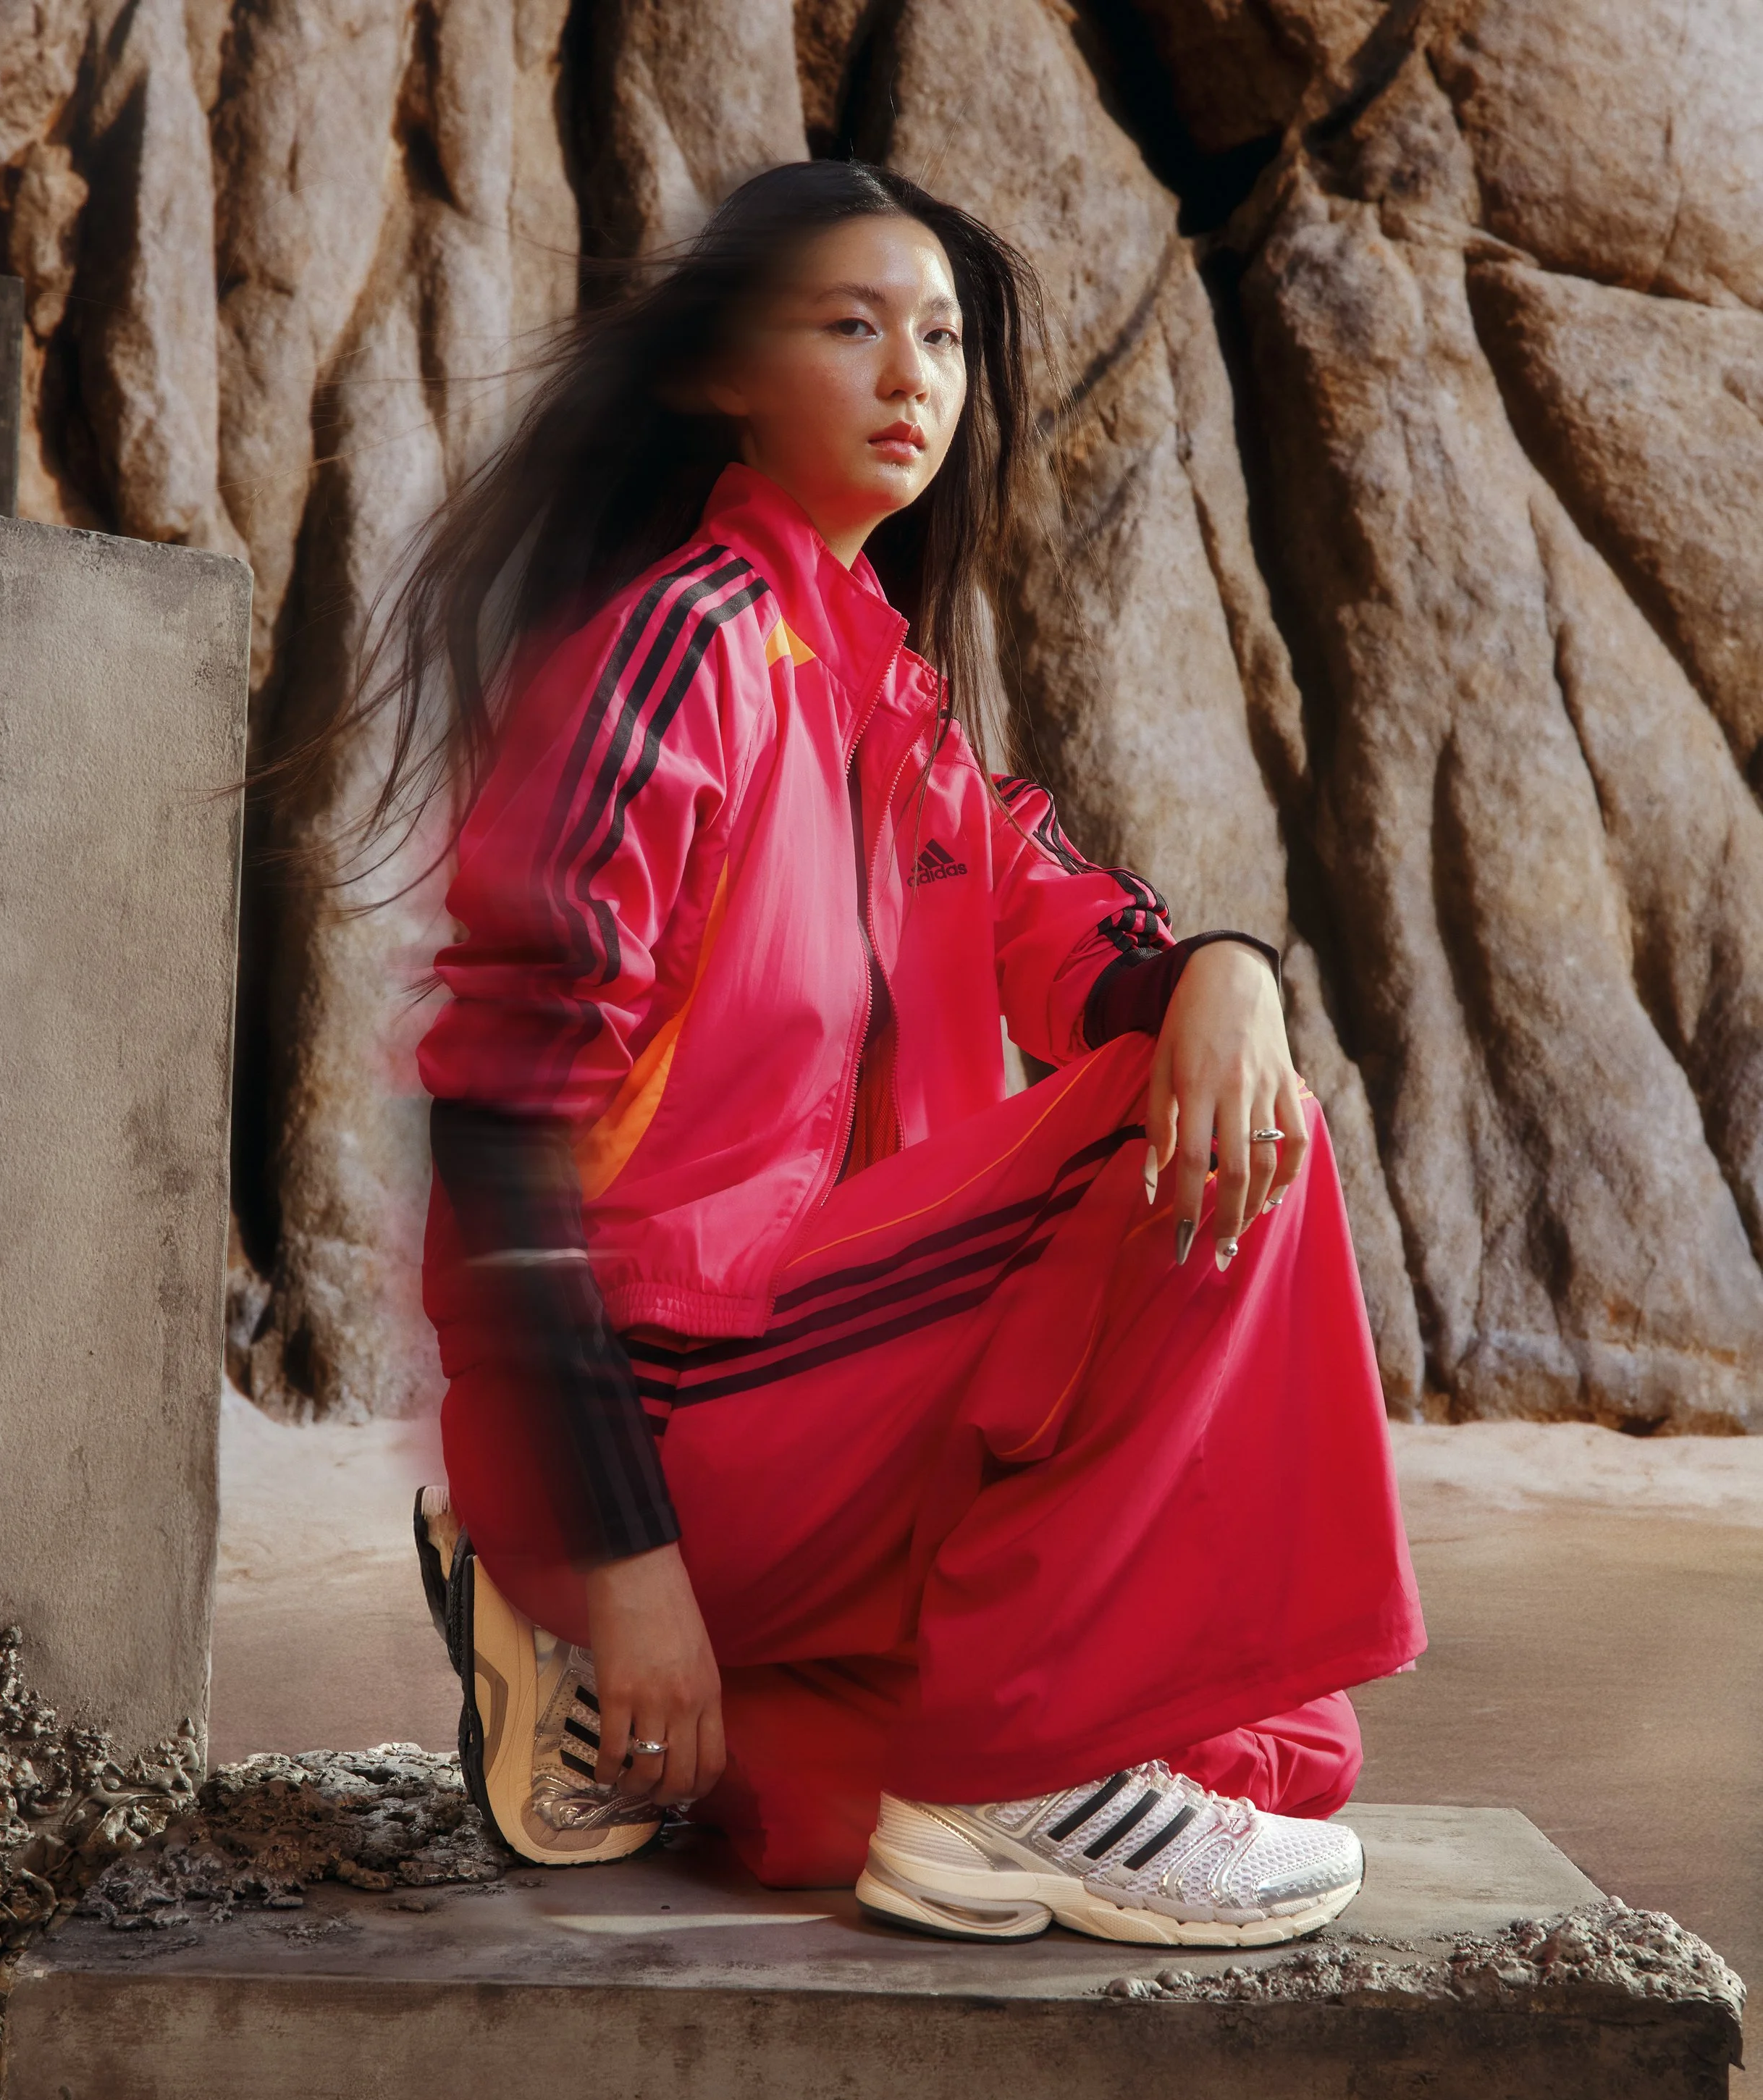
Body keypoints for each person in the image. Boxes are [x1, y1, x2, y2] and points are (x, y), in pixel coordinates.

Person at [373, 159, 1423, 1948]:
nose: (908, 375)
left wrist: (1228, 969)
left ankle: (733, 1751)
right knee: (1201, 1155)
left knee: (1265, 1724)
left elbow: (1099, 952)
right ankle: (969, 1767)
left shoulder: (894, 710)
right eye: (848, 326)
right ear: (718, 369)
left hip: (833, 1413)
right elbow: (494, 1132)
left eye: (936, 336)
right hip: (664, 1418)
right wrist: (633, 1579)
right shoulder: (675, 655)